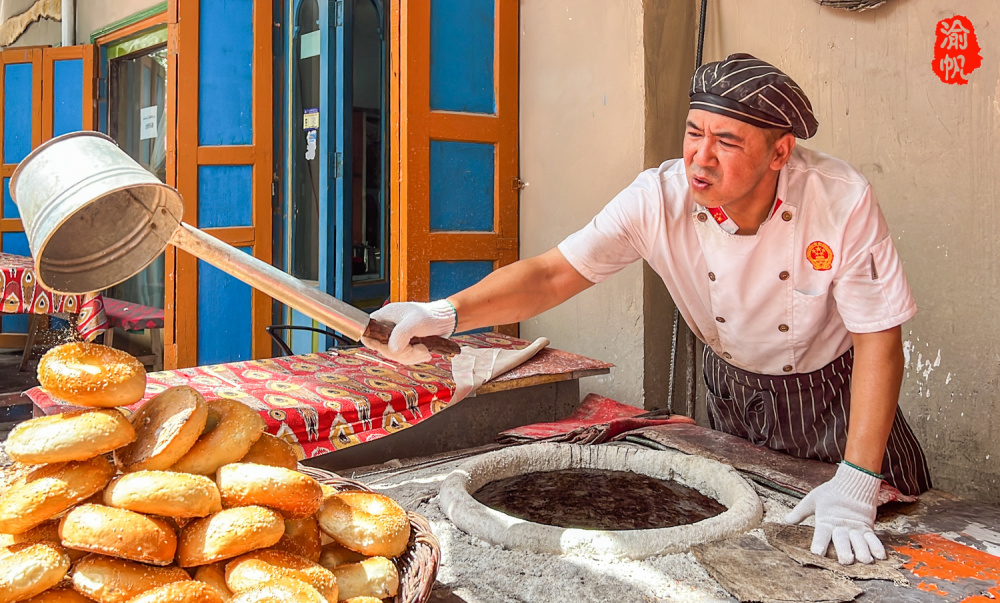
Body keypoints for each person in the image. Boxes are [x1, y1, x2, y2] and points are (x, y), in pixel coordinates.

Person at [362, 53, 931, 566]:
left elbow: (878, 340)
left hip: (836, 398)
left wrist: (856, 481)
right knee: (755, 537)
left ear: (780, 151)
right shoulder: (657, 199)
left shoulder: (841, 199)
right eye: (693, 133)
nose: (700, 158)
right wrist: (446, 312)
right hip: (734, 391)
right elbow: (553, 272)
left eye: (727, 143)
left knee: (877, 546)